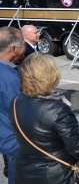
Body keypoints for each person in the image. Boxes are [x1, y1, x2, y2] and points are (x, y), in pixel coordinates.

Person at [8, 54, 79, 184]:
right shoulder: (58, 109)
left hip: (23, 170)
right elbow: (78, 150)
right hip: (54, 175)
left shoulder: (16, 101)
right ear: (51, 75)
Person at [0, 26, 26, 184]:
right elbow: (22, 113)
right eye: (23, 44)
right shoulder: (10, 79)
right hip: (16, 141)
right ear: (13, 49)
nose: (25, 48)